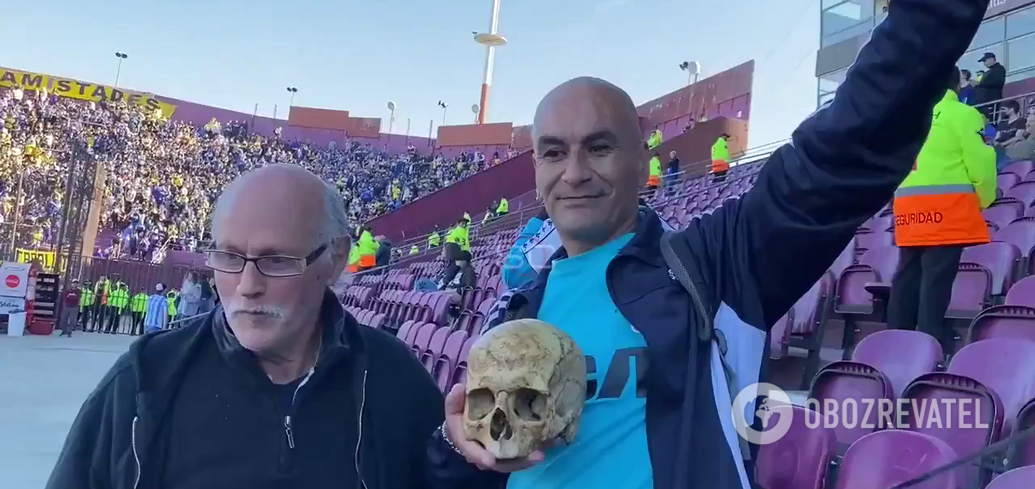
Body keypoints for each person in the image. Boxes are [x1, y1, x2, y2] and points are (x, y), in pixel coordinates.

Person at [425, 1, 988, 488]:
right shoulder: (513, 311)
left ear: (642, 159)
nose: (573, 172)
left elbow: (849, 147)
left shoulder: (713, 266)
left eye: (599, 147)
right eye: (552, 152)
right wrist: (455, 451)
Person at [47, 164, 448, 489]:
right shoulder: (142, 380)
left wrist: (460, 459)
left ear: (336, 257)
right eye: (229, 257)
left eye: (276, 262)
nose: (247, 286)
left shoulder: (396, 379)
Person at [887, 67, 996, 354]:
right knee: (935, 285)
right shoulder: (963, 114)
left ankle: (894, 346)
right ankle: (926, 352)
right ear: (958, 83)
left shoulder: (907, 119)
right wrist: (984, 200)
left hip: (908, 209)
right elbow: (982, 165)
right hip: (946, 209)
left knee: (906, 278)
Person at [974, 52, 1005, 117]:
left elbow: (998, 82)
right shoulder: (988, 72)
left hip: (992, 101)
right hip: (984, 103)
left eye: (985, 61)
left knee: (991, 120)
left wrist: (979, 84)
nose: (984, 63)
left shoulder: (999, 68)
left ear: (991, 59)